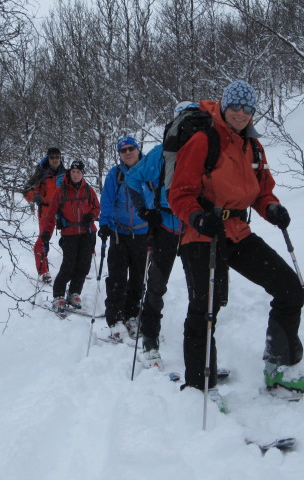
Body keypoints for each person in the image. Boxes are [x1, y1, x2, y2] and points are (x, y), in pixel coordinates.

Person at [168, 80, 304, 397]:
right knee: (205, 309)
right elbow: (179, 193)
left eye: (248, 108)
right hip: (202, 233)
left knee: (289, 289)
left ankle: (279, 366)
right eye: (236, 106)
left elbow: (261, 190)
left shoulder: (253, 146)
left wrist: (271, 208)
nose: (242, 113)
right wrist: (198, 217)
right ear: (225, 105)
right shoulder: (204, 140)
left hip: (237, 232)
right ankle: (200, 388)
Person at [125, 102, 196, 367]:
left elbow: (132, 179)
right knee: (173, 286)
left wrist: (146, 210)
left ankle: (155, 340)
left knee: (160, 285)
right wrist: (146, 209)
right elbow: (133, 179)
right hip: (183, 225)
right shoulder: (163, 154)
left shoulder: (161, 153)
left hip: (176, 225)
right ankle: (155, 338)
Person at [98, 136, 149, 342]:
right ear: (119, 154)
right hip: (119, 233)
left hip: (142, 233)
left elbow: (155, 200)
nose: (127, 152)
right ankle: (115, 317)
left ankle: (131, 314)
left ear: (138, 150)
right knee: (117, 278)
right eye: (123, 150)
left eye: (131, 148)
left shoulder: (149, 171)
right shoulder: (115, 174)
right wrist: (104, 224)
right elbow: (107, 201)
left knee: (138, 279)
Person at [40, 160, 100, 313]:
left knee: (84, 266)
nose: (75, 174)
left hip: (87, 232)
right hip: (69, 234)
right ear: (69, 172)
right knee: (69, 265)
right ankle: (58, 295)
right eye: (73, 172)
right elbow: (51, 213)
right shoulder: (62, 191)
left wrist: (91, 215)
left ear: (82, 173)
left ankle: (74, 292)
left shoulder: (88, 190)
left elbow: (97, 207)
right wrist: (46, 232)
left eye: (78, 172)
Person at [23, 147, 65, 284]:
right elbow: (26, 191)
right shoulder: (41, 174)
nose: (55, 160)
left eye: (57, 157)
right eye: (52, 157)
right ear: (48, 158)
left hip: (63, 211)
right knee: (42, 242)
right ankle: (43, 271)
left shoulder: (65, 174)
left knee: (76, 237)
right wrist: (34, 197)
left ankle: (81, 263)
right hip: (46, 211)